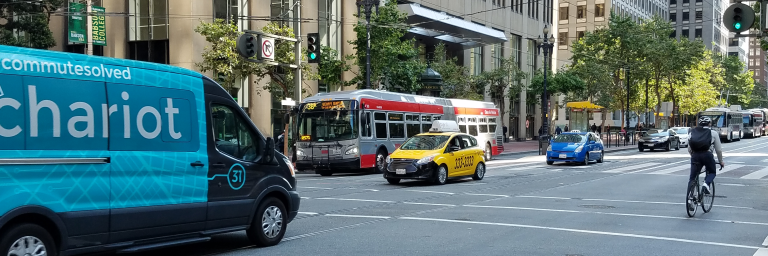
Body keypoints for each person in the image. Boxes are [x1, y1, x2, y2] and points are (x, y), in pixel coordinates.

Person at [687, 116, 724, 197]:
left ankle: (690, 196)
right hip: (707, 155)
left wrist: (693, 156)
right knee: (712, 172)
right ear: (709, 124)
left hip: (695, 155)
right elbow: (718, 150)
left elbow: (689, 148)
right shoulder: (713, 133)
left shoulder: (692, 132)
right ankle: (706, 184)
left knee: (692, 177)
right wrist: (721, 161)